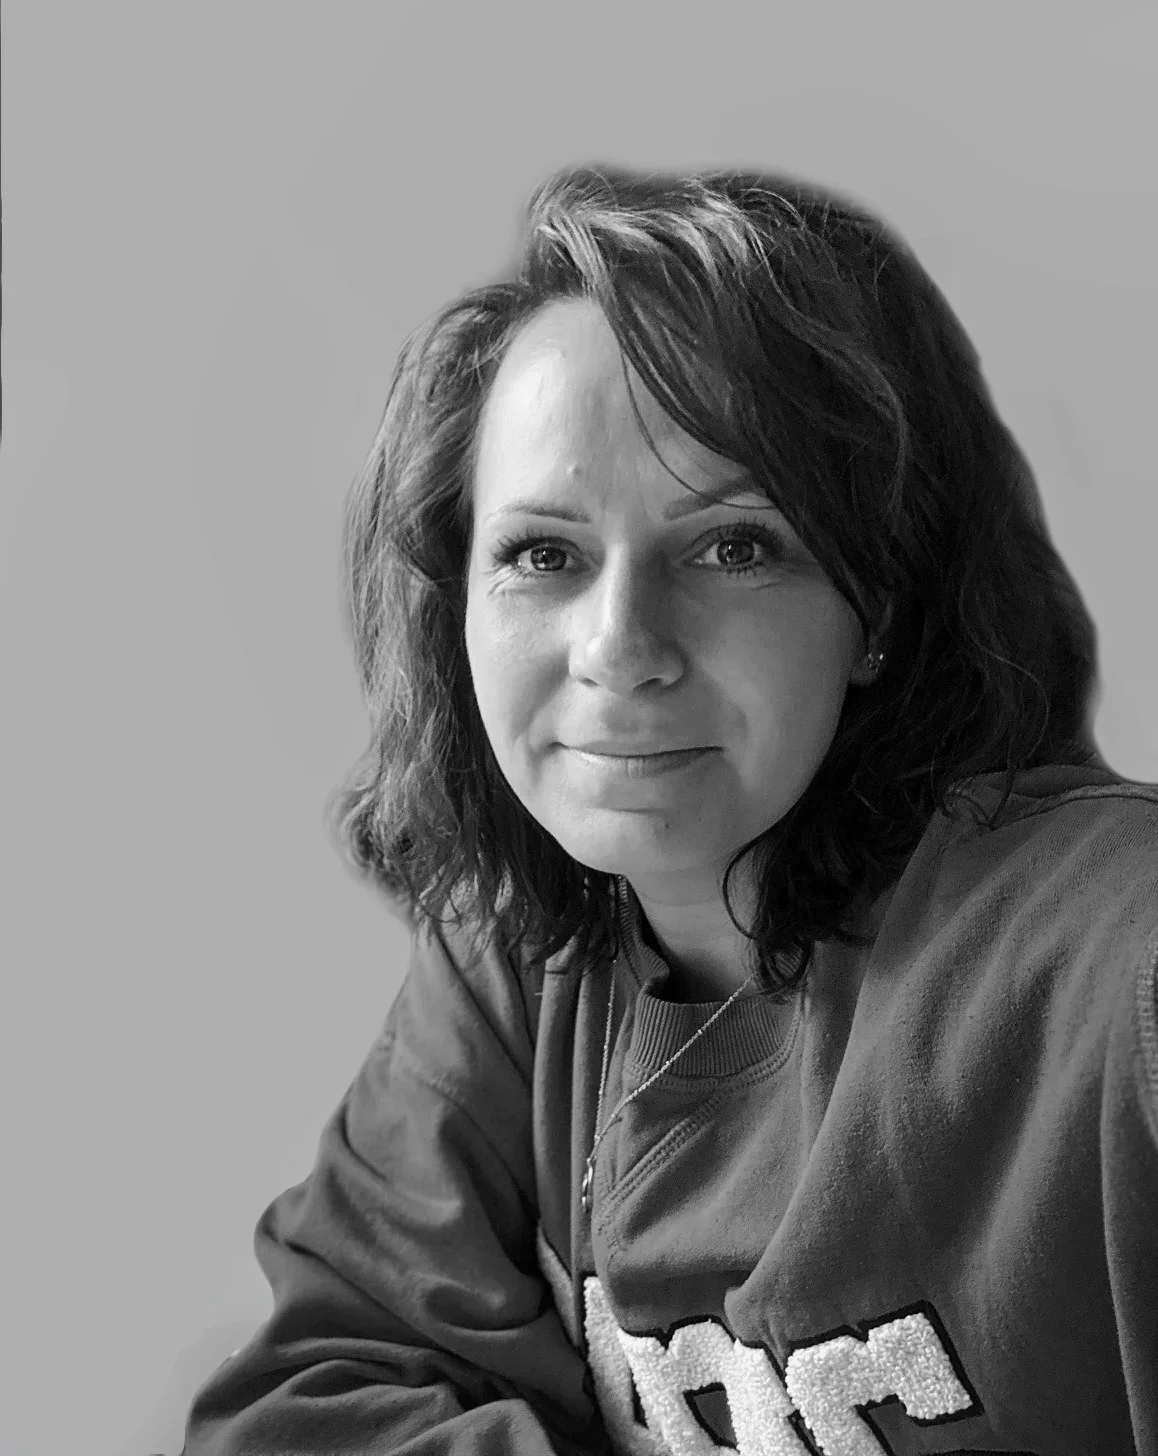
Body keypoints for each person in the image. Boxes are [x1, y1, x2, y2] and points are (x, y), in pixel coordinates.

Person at [179, 167, 1158, 1456]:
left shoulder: (1114, 950)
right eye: (544, 555)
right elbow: (300, 1406)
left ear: (875, 607)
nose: (621, 646)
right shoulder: (511, 965)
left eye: (733, 546)